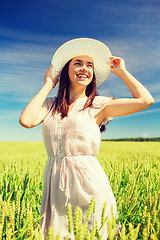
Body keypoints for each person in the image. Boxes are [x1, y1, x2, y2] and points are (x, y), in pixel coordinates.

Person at [19, 38, 154, 239]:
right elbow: (26, 121)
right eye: (78, 63)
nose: (84, 69)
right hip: (55, 182)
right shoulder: (50, 105)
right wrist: (48, 84)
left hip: (89, 182)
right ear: (66, 71)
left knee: (96, 231)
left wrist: (122, 72)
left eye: (89, 65)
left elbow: (146, 100)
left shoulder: (98, 104)